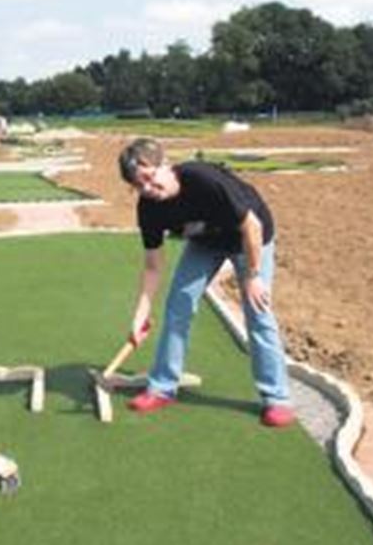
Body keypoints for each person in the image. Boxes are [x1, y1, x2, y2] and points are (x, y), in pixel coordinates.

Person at [117, 137, 295, 428]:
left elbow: (252, 226)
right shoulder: (148, 207)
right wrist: (141, 313)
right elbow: (153, 265)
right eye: (138, 186)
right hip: (206, 243)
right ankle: (162, 388)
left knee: (257, 310)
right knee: (178, 306)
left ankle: (276, 399)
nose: (147, 189)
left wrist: (251, 276)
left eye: (149, 178)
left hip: (250, 239)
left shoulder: (204, 180)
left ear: (166, 165)